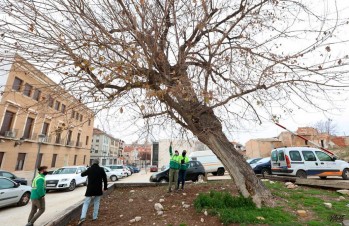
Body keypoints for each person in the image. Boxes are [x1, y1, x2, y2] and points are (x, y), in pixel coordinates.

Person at [78, 159, 108, 225]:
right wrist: (105, 188)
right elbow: (105, 179)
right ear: (98, 163)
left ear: (92, 163)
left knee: (86, 203)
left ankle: (82, 217)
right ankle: (95, 217)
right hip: (98, 189)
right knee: (96, 202)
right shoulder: (101, 169)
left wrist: (85, 170)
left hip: (90, 189)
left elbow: (82, 174)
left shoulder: (89, 169)